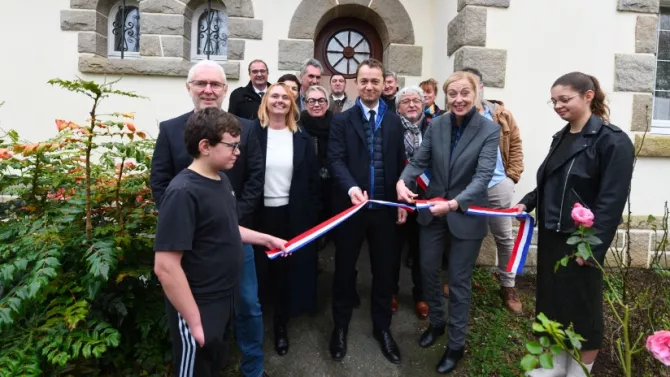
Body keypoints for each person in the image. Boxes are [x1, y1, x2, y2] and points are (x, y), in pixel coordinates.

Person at [150, 60, 269, 377]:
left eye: (215, 84)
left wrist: (238, 226)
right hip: (190, 255)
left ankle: (247, 365)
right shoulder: (174, 145)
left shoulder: (230, 159)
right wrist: (186, 224)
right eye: (201, 83)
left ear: (225, 89)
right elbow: (166, 264)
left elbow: (254, 180)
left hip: (230, 242)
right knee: (196, 352)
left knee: (242, 310)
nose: (208, 89)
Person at [516, 72, 634, 377]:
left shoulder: (613, 141)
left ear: (588, 96)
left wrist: (592, 245)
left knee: (583, 309)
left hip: (582, 240)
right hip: (554, 235)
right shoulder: (562, 136)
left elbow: (611, 201)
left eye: (564, 99)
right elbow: (549, 180)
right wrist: (526, 202)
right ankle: (555, 364)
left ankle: (581, 371)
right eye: (554, 100)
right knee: (553, 302)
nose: (557, 105)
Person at [397, 71, 500, 374]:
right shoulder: (437, 124)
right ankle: (437, 324)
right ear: (445, 96)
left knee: (457, 281)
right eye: (452, 94)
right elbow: (419, 160)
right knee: (427, 270)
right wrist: (403, 182)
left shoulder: (489, 130)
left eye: (464, 93)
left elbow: (483, 178)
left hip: (465, 214)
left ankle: (456, 344)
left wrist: (455, 204)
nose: (458, 99)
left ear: (475, 93)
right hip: (433, 213)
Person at [328, 58, 408, 365]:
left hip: (385, 210)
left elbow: (401, 163)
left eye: (376, 81)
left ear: (383, 83)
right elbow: (335, 160)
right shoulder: (341, 121)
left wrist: (402, 202)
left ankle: (382, 328)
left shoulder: (393, 120)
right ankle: (340, 327)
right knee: (345, 271)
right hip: (351, 210)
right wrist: (350, 188)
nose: (370, 86)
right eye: (364, 81)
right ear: (356, 83)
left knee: (385, 273)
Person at [252, 83, 320, 357]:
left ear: (292, 104)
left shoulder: (302, 137)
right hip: (257, 215)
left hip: (291, 215)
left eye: (286, 97)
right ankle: (253, 326)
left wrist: (312, 217)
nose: (280, 101)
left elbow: (313, 182)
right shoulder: (251, 134)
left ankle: (280, 323)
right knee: (256, 272)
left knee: (283, 273)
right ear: (266, 102)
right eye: (274, 96)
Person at [459, 66, 525, 313]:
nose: (468, 93)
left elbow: (516, 144)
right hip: (467, 188)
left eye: (473, 86)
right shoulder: (456, 115)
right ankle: (460, 279)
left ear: (481, 87)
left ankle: (508, 285)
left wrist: (512, 177)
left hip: (498, 185)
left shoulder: (501, 114)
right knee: (463, 235)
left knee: (504, 236)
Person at [393, 86, 430, 319]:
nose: (412, 105)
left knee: (422, 251)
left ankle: (421, 296)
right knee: (393, 250)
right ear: (398, 108)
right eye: (406, 101)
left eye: (416, 100)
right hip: (397, 200)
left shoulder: (435, 128)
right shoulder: (390, 128)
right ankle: (391, 292)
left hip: (426, 199)